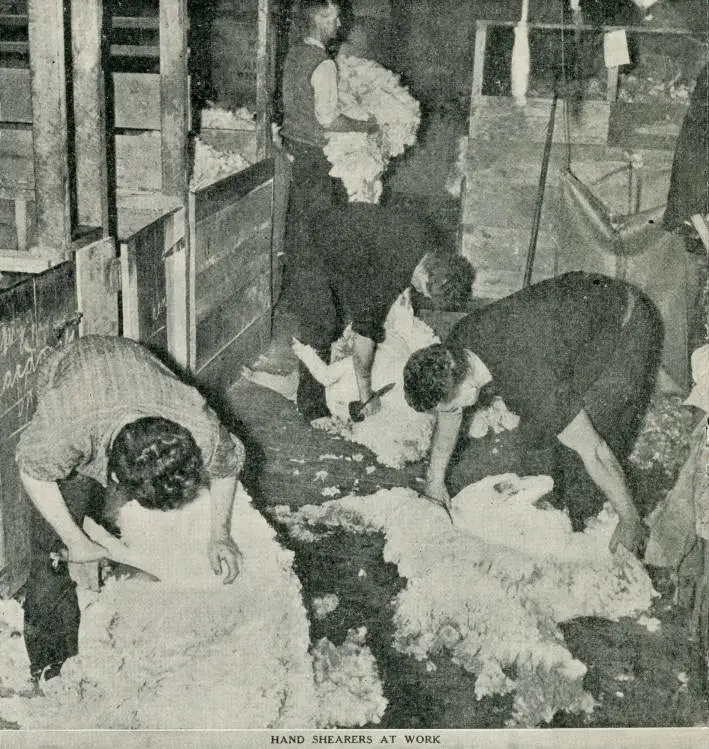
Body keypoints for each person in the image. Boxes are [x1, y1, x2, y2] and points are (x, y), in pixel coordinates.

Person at [15, 335, 246, 680]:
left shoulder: (198, 423)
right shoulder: (66, 425)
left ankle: (103, 567)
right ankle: (52, 672)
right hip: (71, 376)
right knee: (52, 557)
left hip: (131, 372)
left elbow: (227, 467)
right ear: (111, 473)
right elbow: (31, 470)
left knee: (99, 528)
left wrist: (221, 535)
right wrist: (74, 541)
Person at [403, 271, 663, 556]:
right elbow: (451, 413)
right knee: (539, 433)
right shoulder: (457, 347)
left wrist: (630, 519)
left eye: (451, 406)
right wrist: (435, 479)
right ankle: (562, 504)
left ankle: (596, 526)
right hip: (579, 317)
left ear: (466, 384)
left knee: (593, 433)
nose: (452, 413)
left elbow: (596, 450)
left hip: (627, 322)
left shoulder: (527, 379)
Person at [293, 203, 475, 422]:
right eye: (426, 291)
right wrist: (366, 394)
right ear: (426, 275)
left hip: (344, 224)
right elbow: (363, 344)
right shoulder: (385, 279)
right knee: (321, 325)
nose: (424, 296)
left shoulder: (428, 242)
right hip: (312, 243)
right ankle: (311, 407)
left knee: (353, 308)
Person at [280, 0, 377, 302]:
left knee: (297, 230)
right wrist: (365, 126)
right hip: (312, 156)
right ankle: (317, 316)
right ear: (321, 18)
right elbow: (329, 119)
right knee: (316, 235)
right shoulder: (323, 63)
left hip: (290, 147)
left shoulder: (295, 53)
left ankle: (298, 299)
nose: (338, 25)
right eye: (334, 19)